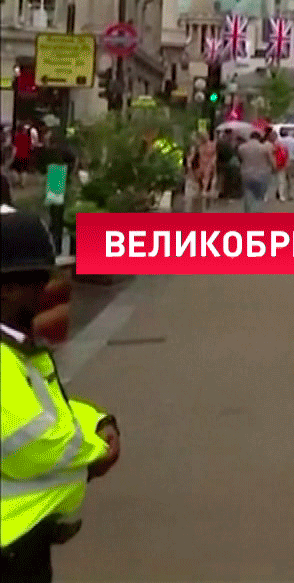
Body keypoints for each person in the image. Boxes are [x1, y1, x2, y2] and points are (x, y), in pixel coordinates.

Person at [0, 209, 121, 583]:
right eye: (38, 281)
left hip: (25, 540)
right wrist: (98, 450)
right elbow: (37, 439)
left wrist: (99, 422)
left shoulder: (18, 346)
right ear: (6, 288)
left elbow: (50, 409)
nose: (48, 290)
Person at [235, 132, 275, 213]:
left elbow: (240, 160)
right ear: (259, 138)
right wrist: (274, 168)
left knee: (248, 196)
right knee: (259, 198)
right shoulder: (264, 148)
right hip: (262, 175)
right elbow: (272, 161)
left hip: (246, 175)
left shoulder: (241, 148)